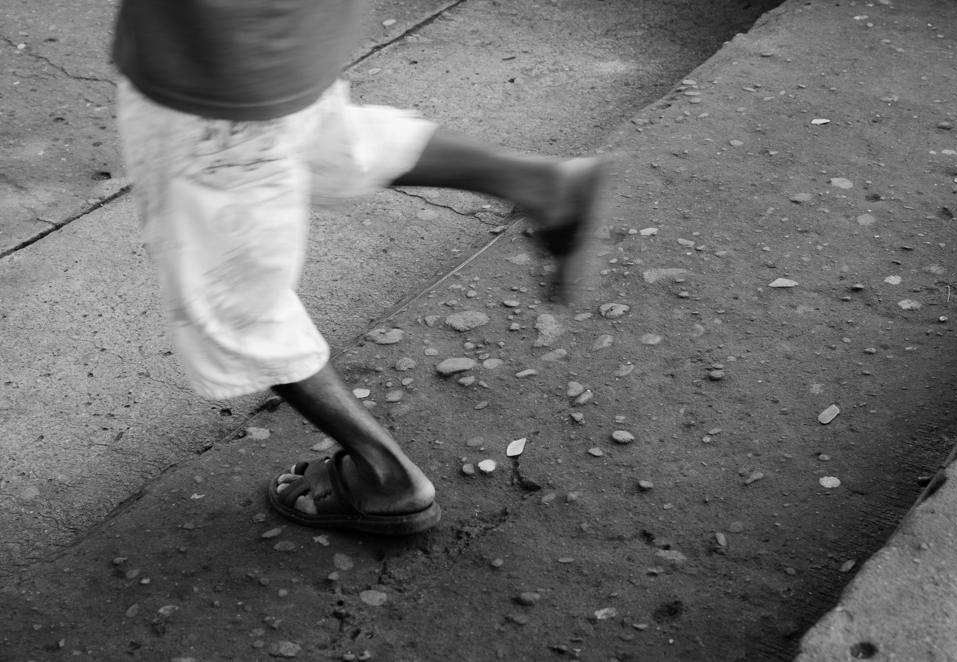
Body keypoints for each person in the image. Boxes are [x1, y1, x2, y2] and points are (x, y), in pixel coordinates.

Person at [112, 0, 606, 535]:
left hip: (207, 62)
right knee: (320, 139)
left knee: (231, 302)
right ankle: (536, 182)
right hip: (291, 37)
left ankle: (387, 478)